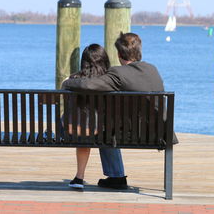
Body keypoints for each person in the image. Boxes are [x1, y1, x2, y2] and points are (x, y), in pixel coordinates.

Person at [62, 32, 164, 189]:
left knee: (103, 129)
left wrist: (68, 82)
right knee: (106, 126)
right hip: (158, 132)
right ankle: (116, 176)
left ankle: (107, 176)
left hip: (127, 134)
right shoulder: (152, 69)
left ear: (118, 54)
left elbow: (89, 85)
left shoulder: (118, 73)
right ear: (139, 51)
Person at [63, 44, 110, 189]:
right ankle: (116, 175)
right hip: (100, 131)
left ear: (83, 61)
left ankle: (79, 177)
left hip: (71, 130)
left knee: (82, 124)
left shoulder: (71, 80)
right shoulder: (109, 81)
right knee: (93, 124)